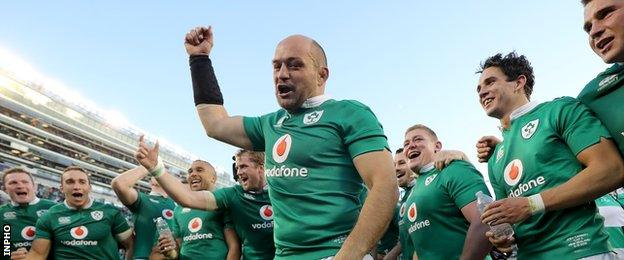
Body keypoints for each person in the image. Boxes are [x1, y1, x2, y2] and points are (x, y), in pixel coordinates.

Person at [150, 26, 399, 259]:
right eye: (276, 66)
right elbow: (214, 124)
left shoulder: (350, 113)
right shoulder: (270, 125)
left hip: (333, 252)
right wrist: (199, 60)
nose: (282, 74)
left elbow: (385, 186)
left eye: (295, 66)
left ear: (322, 75)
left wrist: (347, 257)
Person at [476, 52, 624, 258]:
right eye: (479, 88)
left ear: (518, 82)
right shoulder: (495, 157)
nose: (482, 92)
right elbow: (508, 220)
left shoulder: (559, 110)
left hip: (580, 251)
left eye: (490, 82)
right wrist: (503, 239)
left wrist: (531, 204)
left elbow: (611, 169)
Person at [401, 124, 491, 259]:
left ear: (437, 146)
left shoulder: (453, 168)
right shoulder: (413, 193)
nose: (411, 145)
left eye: (418, 139)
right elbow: (420, 248)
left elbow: (486, 219)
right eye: (406, 144)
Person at [10, 166, 134, 260]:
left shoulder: (110, 212)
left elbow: (131, 245)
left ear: (89, 188)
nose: (76, 186)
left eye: (82, 182)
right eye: (70, 182)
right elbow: (38, 254)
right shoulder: (49, 216)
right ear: (62, 188)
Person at [156, 159, 240, 260]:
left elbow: (235, 248)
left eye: (199, 170)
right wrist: (170, 252)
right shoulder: (178, 209)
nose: (193, 174)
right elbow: (177, 251)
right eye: (190, 171)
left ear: (213, 178)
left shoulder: (223, 203)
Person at [111, 164, 176, 260]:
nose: (161, 172)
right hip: (143, 257)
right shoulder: (143, 199)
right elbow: (119, 184)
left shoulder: (179, 204)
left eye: (164, 172)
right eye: (158, 171)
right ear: (151, 182)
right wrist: (151, 165)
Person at [0, 167, 56, 256]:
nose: (20, 186)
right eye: (13, 183)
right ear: (5, 189)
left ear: (34, 187)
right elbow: (5, 249)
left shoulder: (54, 209)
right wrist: (10, 256)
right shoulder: (1, 213)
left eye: (25, 182)